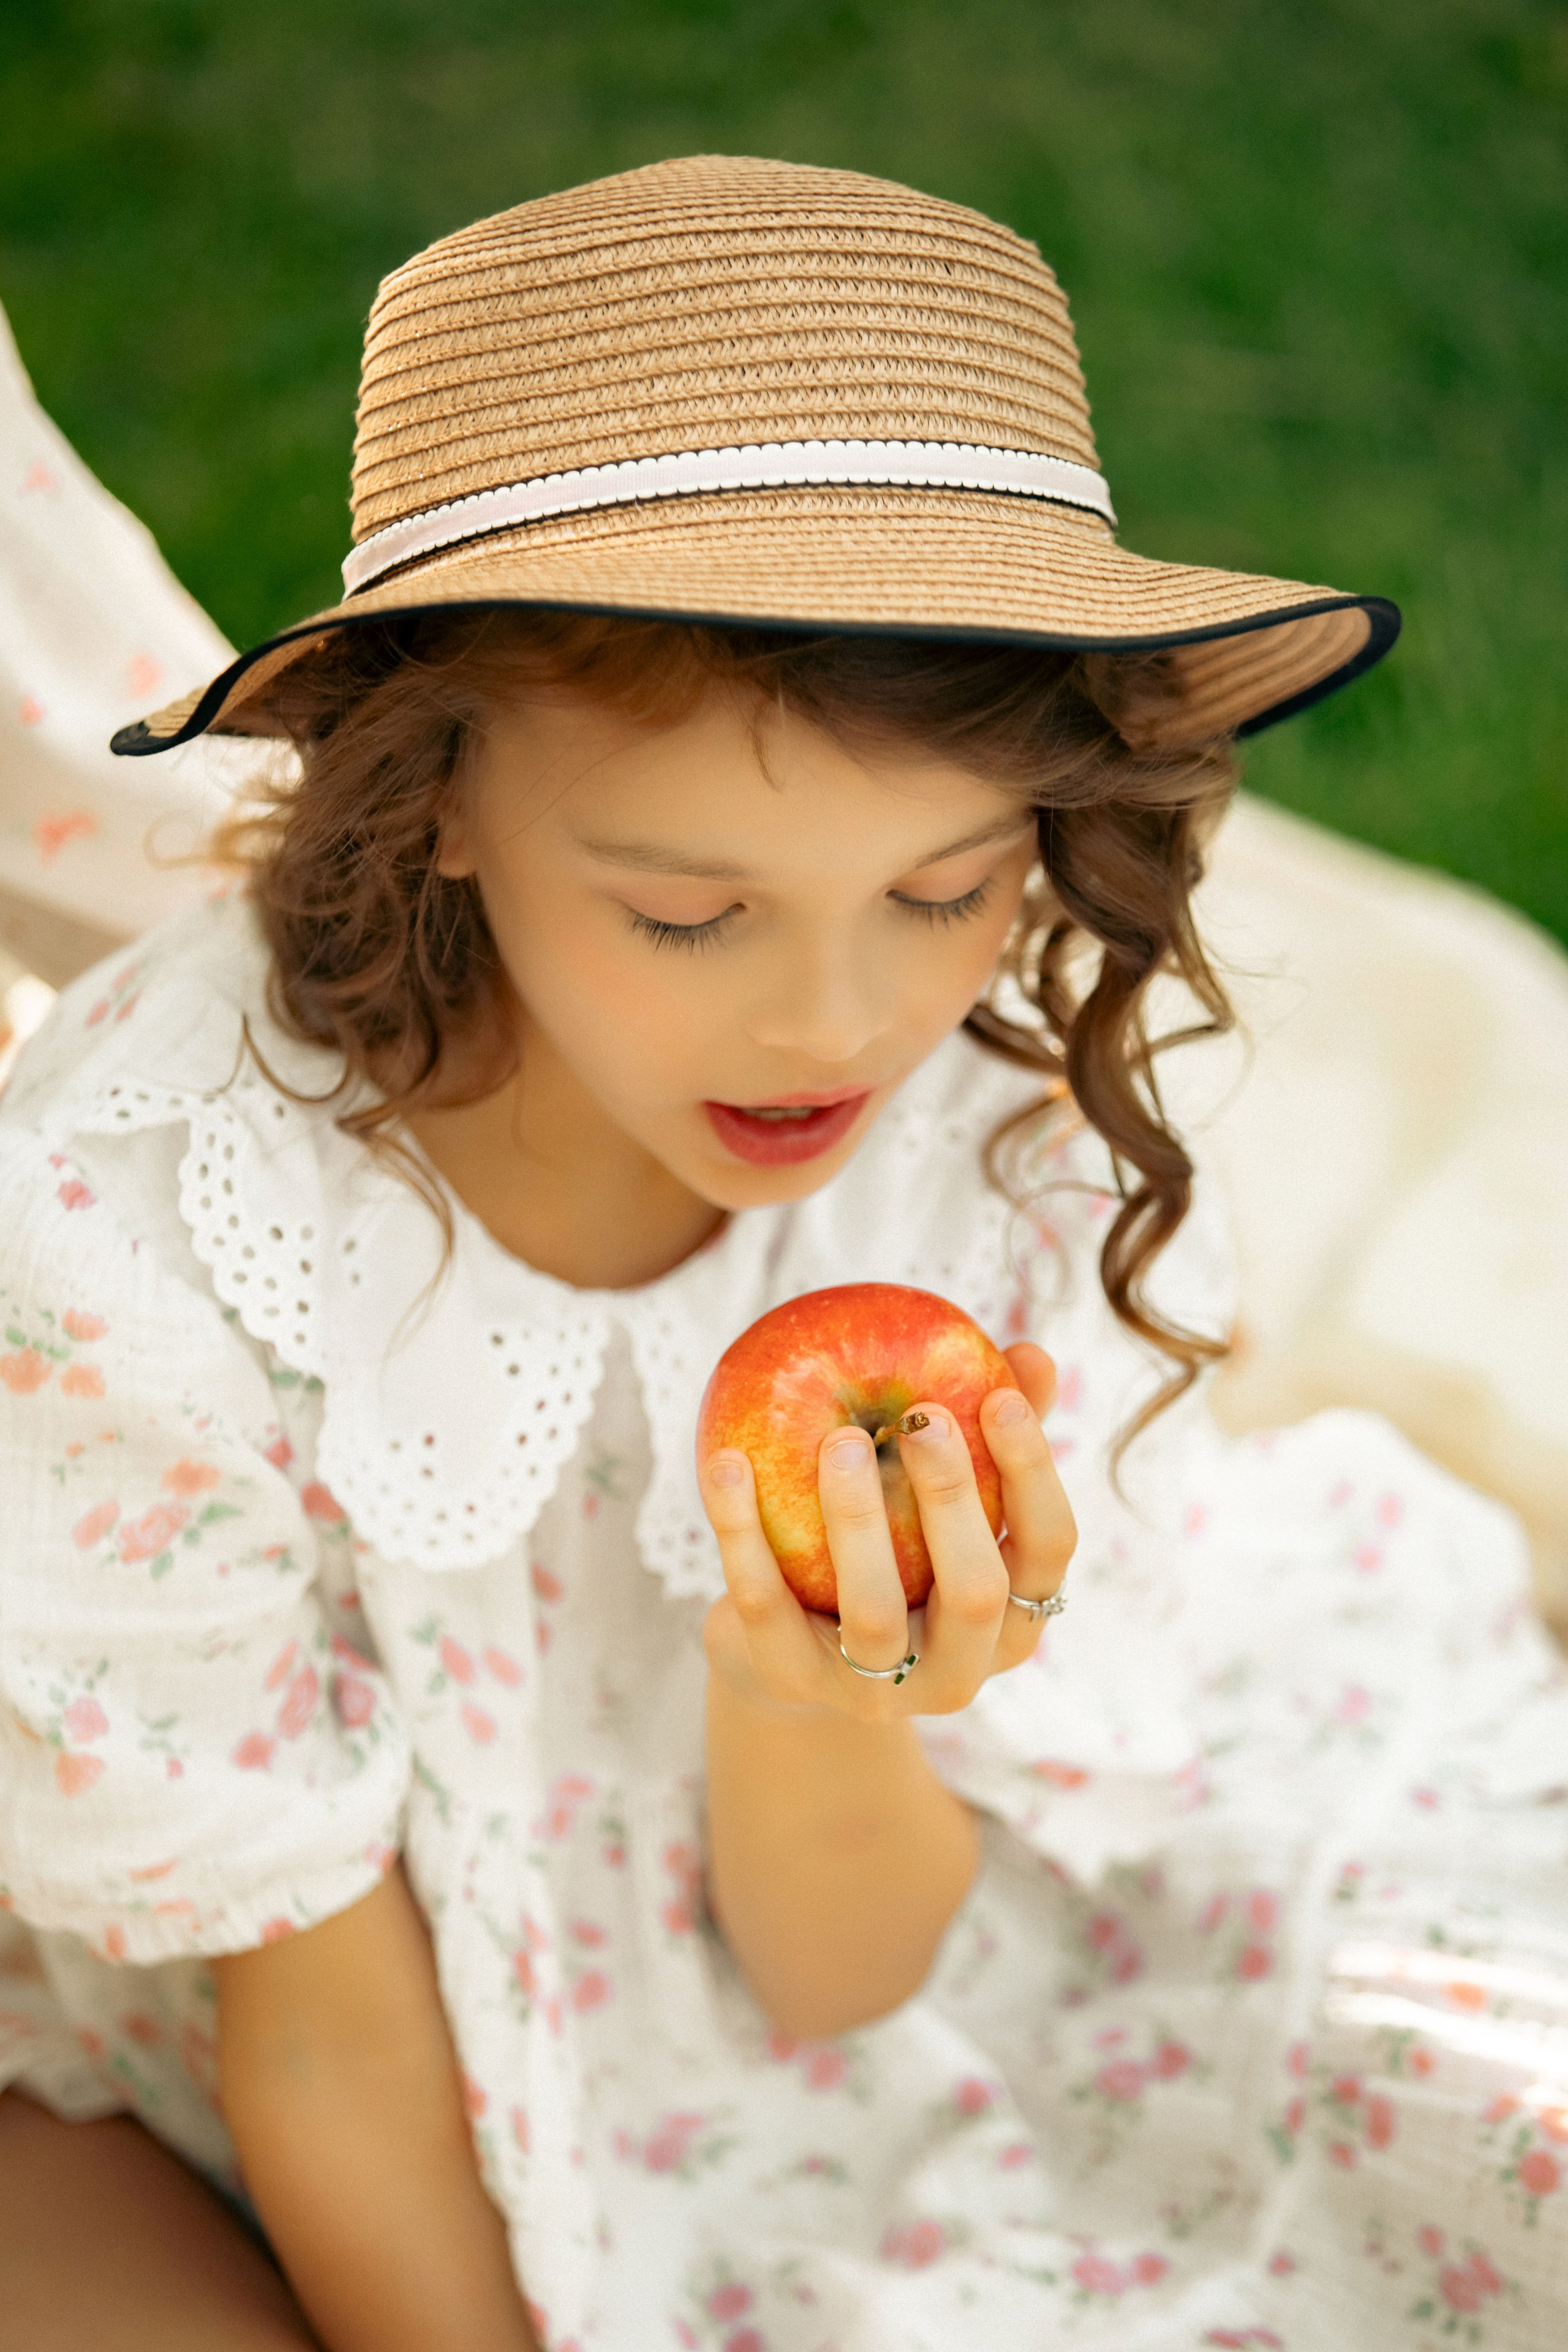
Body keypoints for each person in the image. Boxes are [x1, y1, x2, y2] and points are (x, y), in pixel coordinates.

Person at [1, 155, 1561, 2352]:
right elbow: (328, 2040)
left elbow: (843, 1978)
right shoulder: (139, 1228)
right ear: (431, 794)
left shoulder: (979, 1138)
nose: (840, 1030)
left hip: (784, 1990)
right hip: (310, 2039)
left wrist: (813, 1690)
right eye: (685, 911)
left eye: (943, 890)